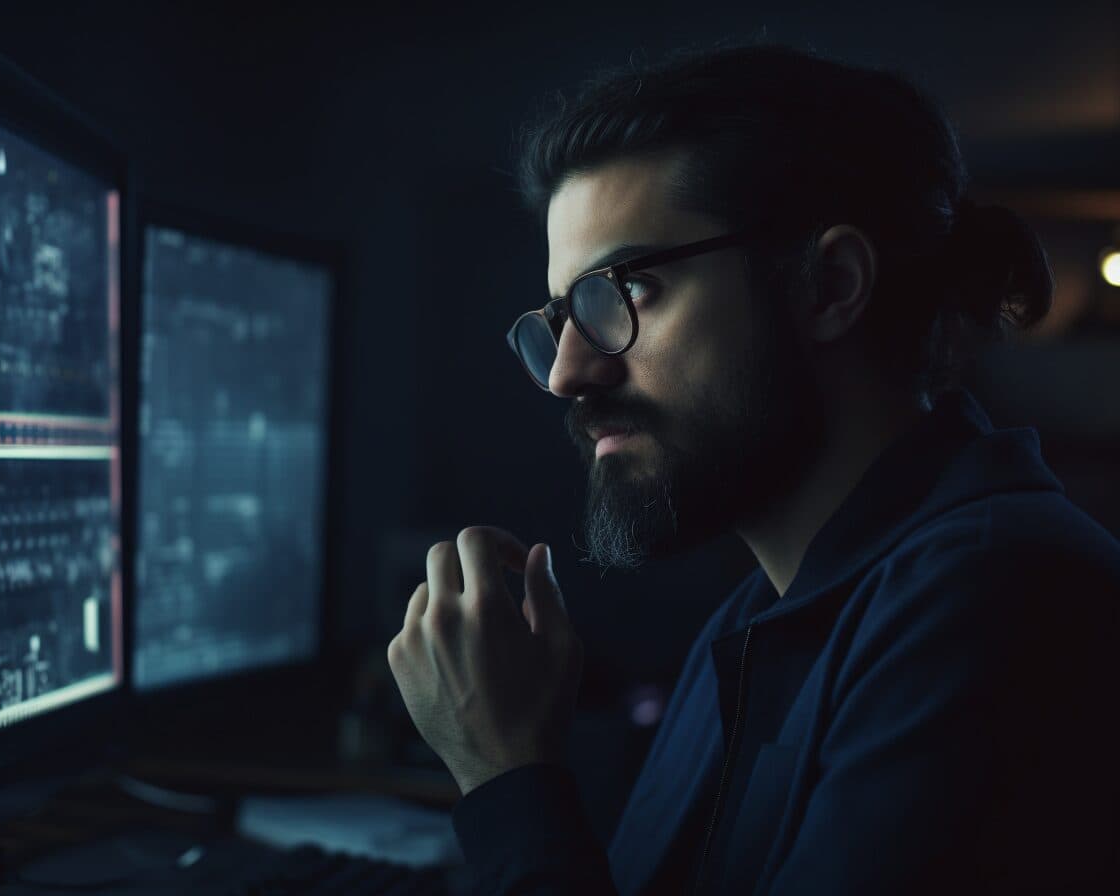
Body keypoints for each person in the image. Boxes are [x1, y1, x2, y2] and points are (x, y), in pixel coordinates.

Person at [386, 44, 1120, 895]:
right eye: (561, 317)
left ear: (828, 285)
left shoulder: (1002, 600)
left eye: (622, 291)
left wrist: (505, 777)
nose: (565, 373)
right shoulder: (758, 617)